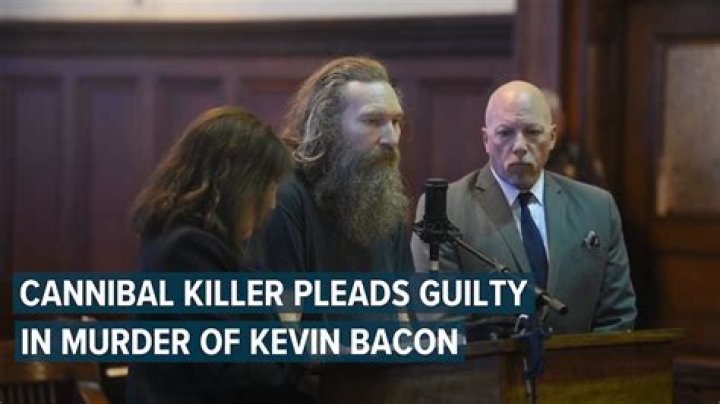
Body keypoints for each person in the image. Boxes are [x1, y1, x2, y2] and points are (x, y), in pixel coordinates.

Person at [410, 80, 636, 334]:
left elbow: (617, 318)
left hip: (580, 359)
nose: (519, 146)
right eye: (505, 133)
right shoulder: (446, 209)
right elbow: (442, 322)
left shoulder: (597, 207)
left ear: (552, 137)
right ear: (486, 140)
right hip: (488, 359)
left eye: (532, 132)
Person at [126, 106, 314, 404]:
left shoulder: (196, 243)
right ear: (238, 185)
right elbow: (236, 372)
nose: (272, 203)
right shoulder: (188, 250)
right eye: (269, 186)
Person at [251, 56, 414, 314]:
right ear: (328, 125)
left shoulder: (385, 199)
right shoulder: (285, 196)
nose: (391, 138)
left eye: (396, 122)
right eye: (373, 121)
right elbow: (284, 324)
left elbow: (403, 314)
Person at [542, 89, 607, 188]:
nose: (550, 127)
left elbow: (595, 189)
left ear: (562, 120)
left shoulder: (576, 153)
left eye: (554, 118)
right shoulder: (528, 151)